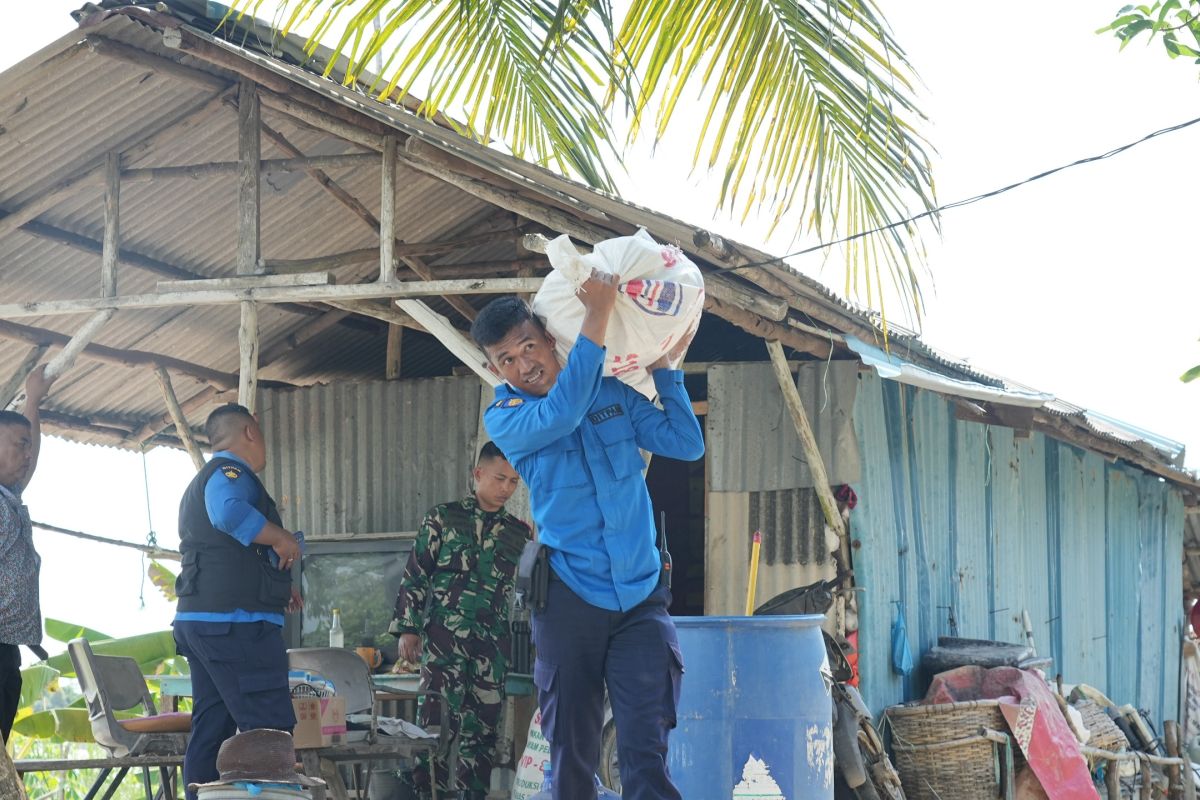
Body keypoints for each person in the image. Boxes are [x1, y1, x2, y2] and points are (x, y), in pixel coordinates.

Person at [471, 278, 704, 800]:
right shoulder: (507, 417)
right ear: (495, 370)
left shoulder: (611, 391)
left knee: (645, 749)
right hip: (569, 598)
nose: (522, 365)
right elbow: (564, 412)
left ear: (550, 340)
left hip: (640, 597)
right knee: (572, 754)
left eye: (528, 346)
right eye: (506, 359)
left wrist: (667, 371)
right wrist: (597, 317)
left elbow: (685, 445)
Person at [172, 404, 303, 800]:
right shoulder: (229, 474)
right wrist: (281, 538)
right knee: (268, 729)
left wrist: (281, 585)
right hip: (234, 626)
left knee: (213, 729)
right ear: (250, 431)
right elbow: (227, 513)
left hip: (206, 622)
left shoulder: (209, 477)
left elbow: (231, 550)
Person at [392, 441, 532, 800]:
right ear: (478, 474)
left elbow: (529, 591)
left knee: (482, 735)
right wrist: (408, 628)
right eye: (500, 478)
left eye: (514, 482)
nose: (506, 488)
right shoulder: (442, 518)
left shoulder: (519, 533)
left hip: (491, 647)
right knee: (434, 730)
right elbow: (416, 574)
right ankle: (428, 795)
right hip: (443, 644)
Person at [0, 366, 56, 744]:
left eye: (29, 445)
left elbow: (28, 463)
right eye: (20, 444)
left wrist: (33, 400)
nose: (27, 454)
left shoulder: (9, 499)